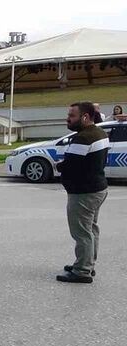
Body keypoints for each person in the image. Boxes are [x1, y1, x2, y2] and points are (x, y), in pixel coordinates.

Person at [55, 102, 110, 283]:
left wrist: (59, 165)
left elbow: (71, 164)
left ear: (85, 117)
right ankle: (87, 263)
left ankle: (82, 271)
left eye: (72, 115)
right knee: (91, 229)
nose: (68, 119)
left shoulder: (84, 138)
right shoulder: (100, 133)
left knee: (82, 232)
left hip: (84, 193)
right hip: (98, 188)